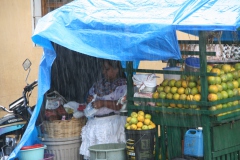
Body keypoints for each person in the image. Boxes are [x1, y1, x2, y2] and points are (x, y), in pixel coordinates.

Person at [79, 59, 127, 160]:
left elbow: (121, 105)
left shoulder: (122, 85)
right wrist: (90, 100)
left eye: (107, 69)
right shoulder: (99, 84)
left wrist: (103, 103)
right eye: (103, 69)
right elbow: (90, 99)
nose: (103, 72)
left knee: (108, 155)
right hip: (95, 124)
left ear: (116, 70)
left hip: (110, 126)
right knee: (95, 155)